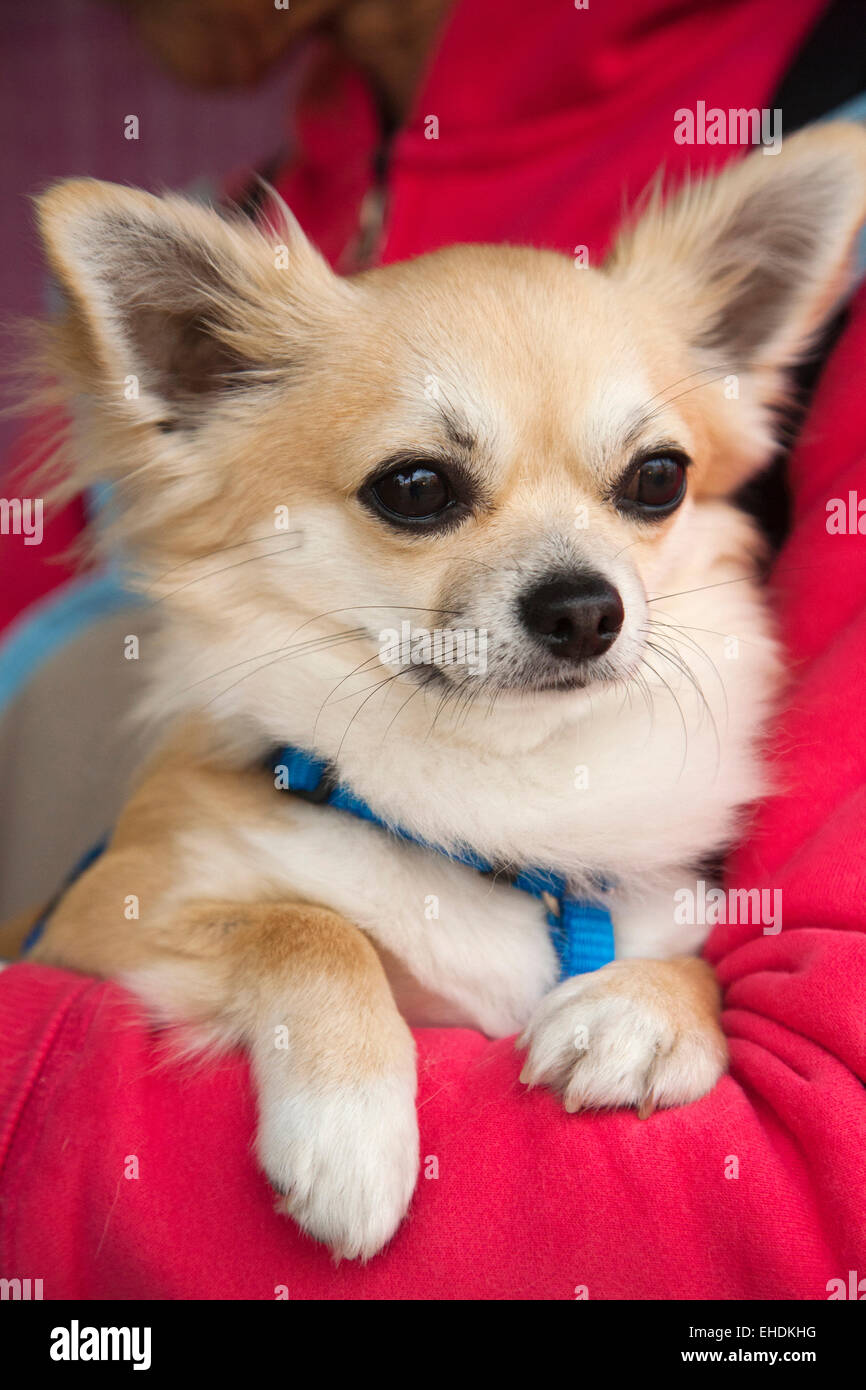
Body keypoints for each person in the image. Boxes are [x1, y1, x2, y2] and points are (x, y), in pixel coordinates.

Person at [1, 0, 865, 1299]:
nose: (578, 593)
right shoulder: (246, 213)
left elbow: (810, 1169)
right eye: (419, 490)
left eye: (643, 483)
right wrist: (308, 973)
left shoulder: (821, 89)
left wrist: (674, 994)